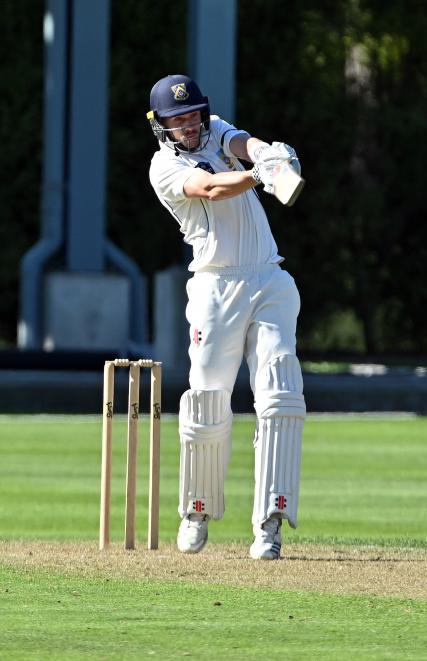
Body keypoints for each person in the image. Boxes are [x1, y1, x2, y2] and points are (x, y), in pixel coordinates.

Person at [147, 74, 306, 560]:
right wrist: (263, 176)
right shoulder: (164, 169)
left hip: (268, 278)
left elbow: (243, 141)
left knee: (280, 389)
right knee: (208, 399)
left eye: (193, 114)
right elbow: (214, 188)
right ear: (162, 127)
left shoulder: (214, 128)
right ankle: (196, 510)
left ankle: (270, 523)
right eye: (179, 119)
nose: (190, 124)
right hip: (215, 286)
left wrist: (268, 153)